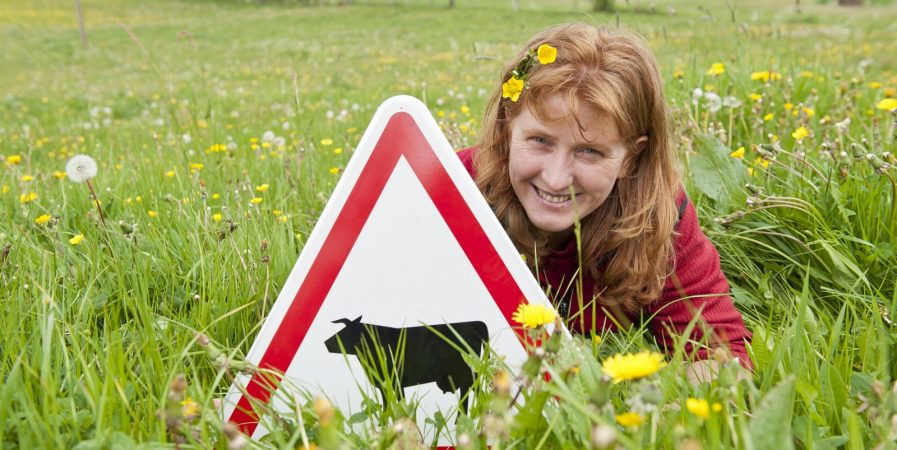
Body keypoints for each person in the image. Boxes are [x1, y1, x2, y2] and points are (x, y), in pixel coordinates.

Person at [456, 23, 752, 380]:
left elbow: (721, 353)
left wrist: (664, 420)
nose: (555, 177)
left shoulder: (659, 216)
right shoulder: (454, 185)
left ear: (631, 156)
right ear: (507, 126)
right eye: (539, 141)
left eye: (589, 151)